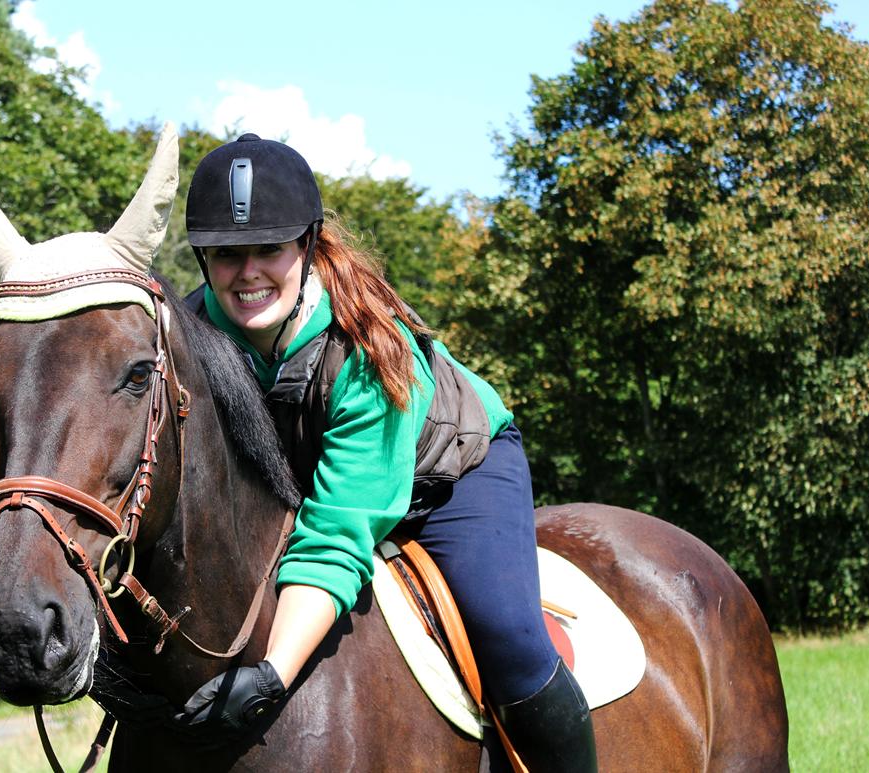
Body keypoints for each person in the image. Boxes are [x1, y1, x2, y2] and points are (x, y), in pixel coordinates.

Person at [172, 133, 597, 772]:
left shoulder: (366, 350)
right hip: (315, 486)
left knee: (508, 638)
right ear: (204, 261)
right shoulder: (190, 339)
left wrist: (271, 676)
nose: (248, 272)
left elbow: (339, 531)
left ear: (308, 245)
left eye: (270, 249)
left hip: (449, 477)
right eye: (228, 254)